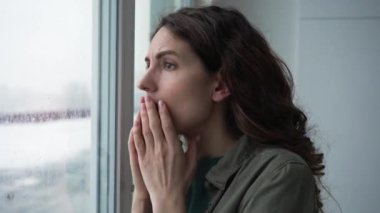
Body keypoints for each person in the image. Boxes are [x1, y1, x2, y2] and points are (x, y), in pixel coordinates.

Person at [128, 5, 325, 213]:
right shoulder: (168, 175)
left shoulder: (280, 175)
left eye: (168, 64)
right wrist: (142, 197)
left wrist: (168, 201)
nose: (143, 82)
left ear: (220, 86)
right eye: (148, 64)